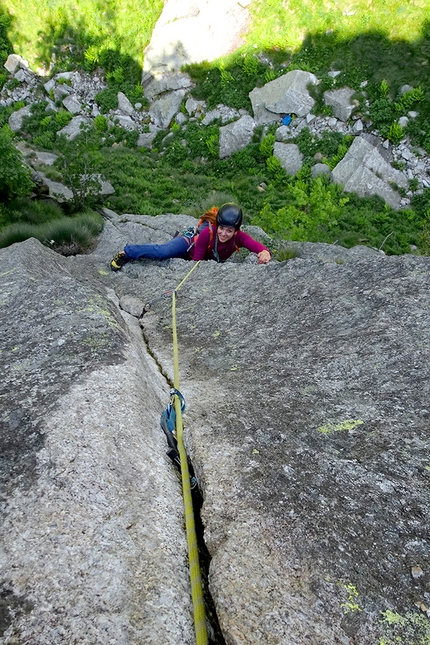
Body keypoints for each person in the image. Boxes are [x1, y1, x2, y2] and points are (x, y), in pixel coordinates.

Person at [110, 203, 271, 271]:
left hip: (200, 257)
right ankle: (127, 252)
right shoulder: (207, 234)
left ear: (236, 231)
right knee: (162, 252)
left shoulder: (239, 237)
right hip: (188, 245)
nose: (223, 233)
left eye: (229, 231)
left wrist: (264, 252)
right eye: (221, 228)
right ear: (217, 225)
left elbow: (255, 245)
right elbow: (196, 265)